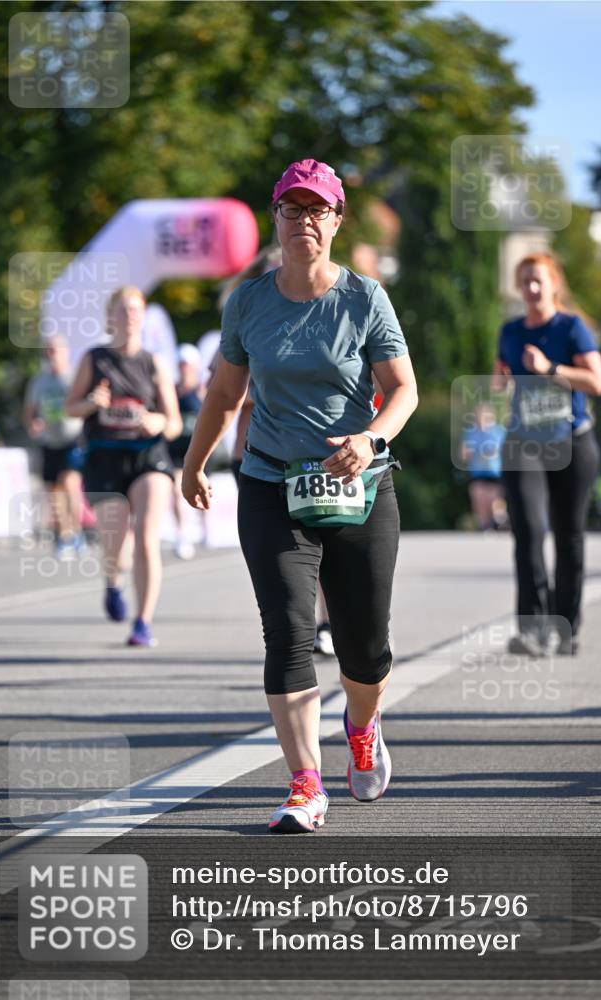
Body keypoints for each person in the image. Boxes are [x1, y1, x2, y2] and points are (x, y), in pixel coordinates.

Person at [182, 159, 418, 833]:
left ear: (336, 222)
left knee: (364, 648)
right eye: (292, 209)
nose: (303, 220)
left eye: (317, 210)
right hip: (270, 483)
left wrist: (370, 439)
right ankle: (304, 783)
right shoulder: (249, 302)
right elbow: (225, 394)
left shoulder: (364, 298)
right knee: (286, 631)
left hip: (359, 484)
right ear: (275, 218)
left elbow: (403, 389)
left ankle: (362, 725)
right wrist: (193, 464)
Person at [493, 252, 601, 656]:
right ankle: (532, 628)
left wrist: (549, 368)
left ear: (555, 284)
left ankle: (566, 627)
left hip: (572, 442)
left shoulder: (572, 328)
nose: (531, 289)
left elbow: (597, 381)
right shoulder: (509, 330)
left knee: (569, 536)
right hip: (525, 442)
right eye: (524, 281)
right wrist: (498, 385)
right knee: (528, 531)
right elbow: (501, 373)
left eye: (538, 280)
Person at [66, 286, 182, 647]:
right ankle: (114, 582)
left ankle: (143, 621)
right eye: (123, 309)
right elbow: (69, 408)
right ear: (110, 317)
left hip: (148, 455)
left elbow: (174, 421)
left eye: (136, 309)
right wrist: (90, 403)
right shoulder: (94, 359)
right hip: (105, 456)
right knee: (116, 541)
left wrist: (158, 423)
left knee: (147, 536)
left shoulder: (154, 363)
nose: (131, 315)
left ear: (143, 317)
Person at [22, 337, 85, 559]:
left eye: (56, 349)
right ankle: (65, 535)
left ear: (66, 352)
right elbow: (30, 412)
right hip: (50, 441)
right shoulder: (39, 382)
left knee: (70, 483)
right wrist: (33, 424)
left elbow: (87, 406)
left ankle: (76, 530)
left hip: (73, 438)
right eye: (48, 350)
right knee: (54, 491)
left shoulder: (75, 377)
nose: (52, 354)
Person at [169, 343, 204, 559]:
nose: (184, 369)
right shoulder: (171, 391)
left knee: (201, 489)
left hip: (198, 449)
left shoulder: (203, 392)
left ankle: (204, 527)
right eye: (181, 364)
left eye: (188, 365)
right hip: (175, 451)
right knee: (176, 490)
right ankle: (183, 534)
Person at [461, 402, 507, 531]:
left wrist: (493, 452)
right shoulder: (471, 433)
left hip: (495, 472)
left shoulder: (498, 432)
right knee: (479, 498)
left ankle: (499, 520)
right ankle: (485, 525)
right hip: (478, 472)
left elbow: (506, 450)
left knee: (494, 501)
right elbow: (464, 454)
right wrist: (471, 453)